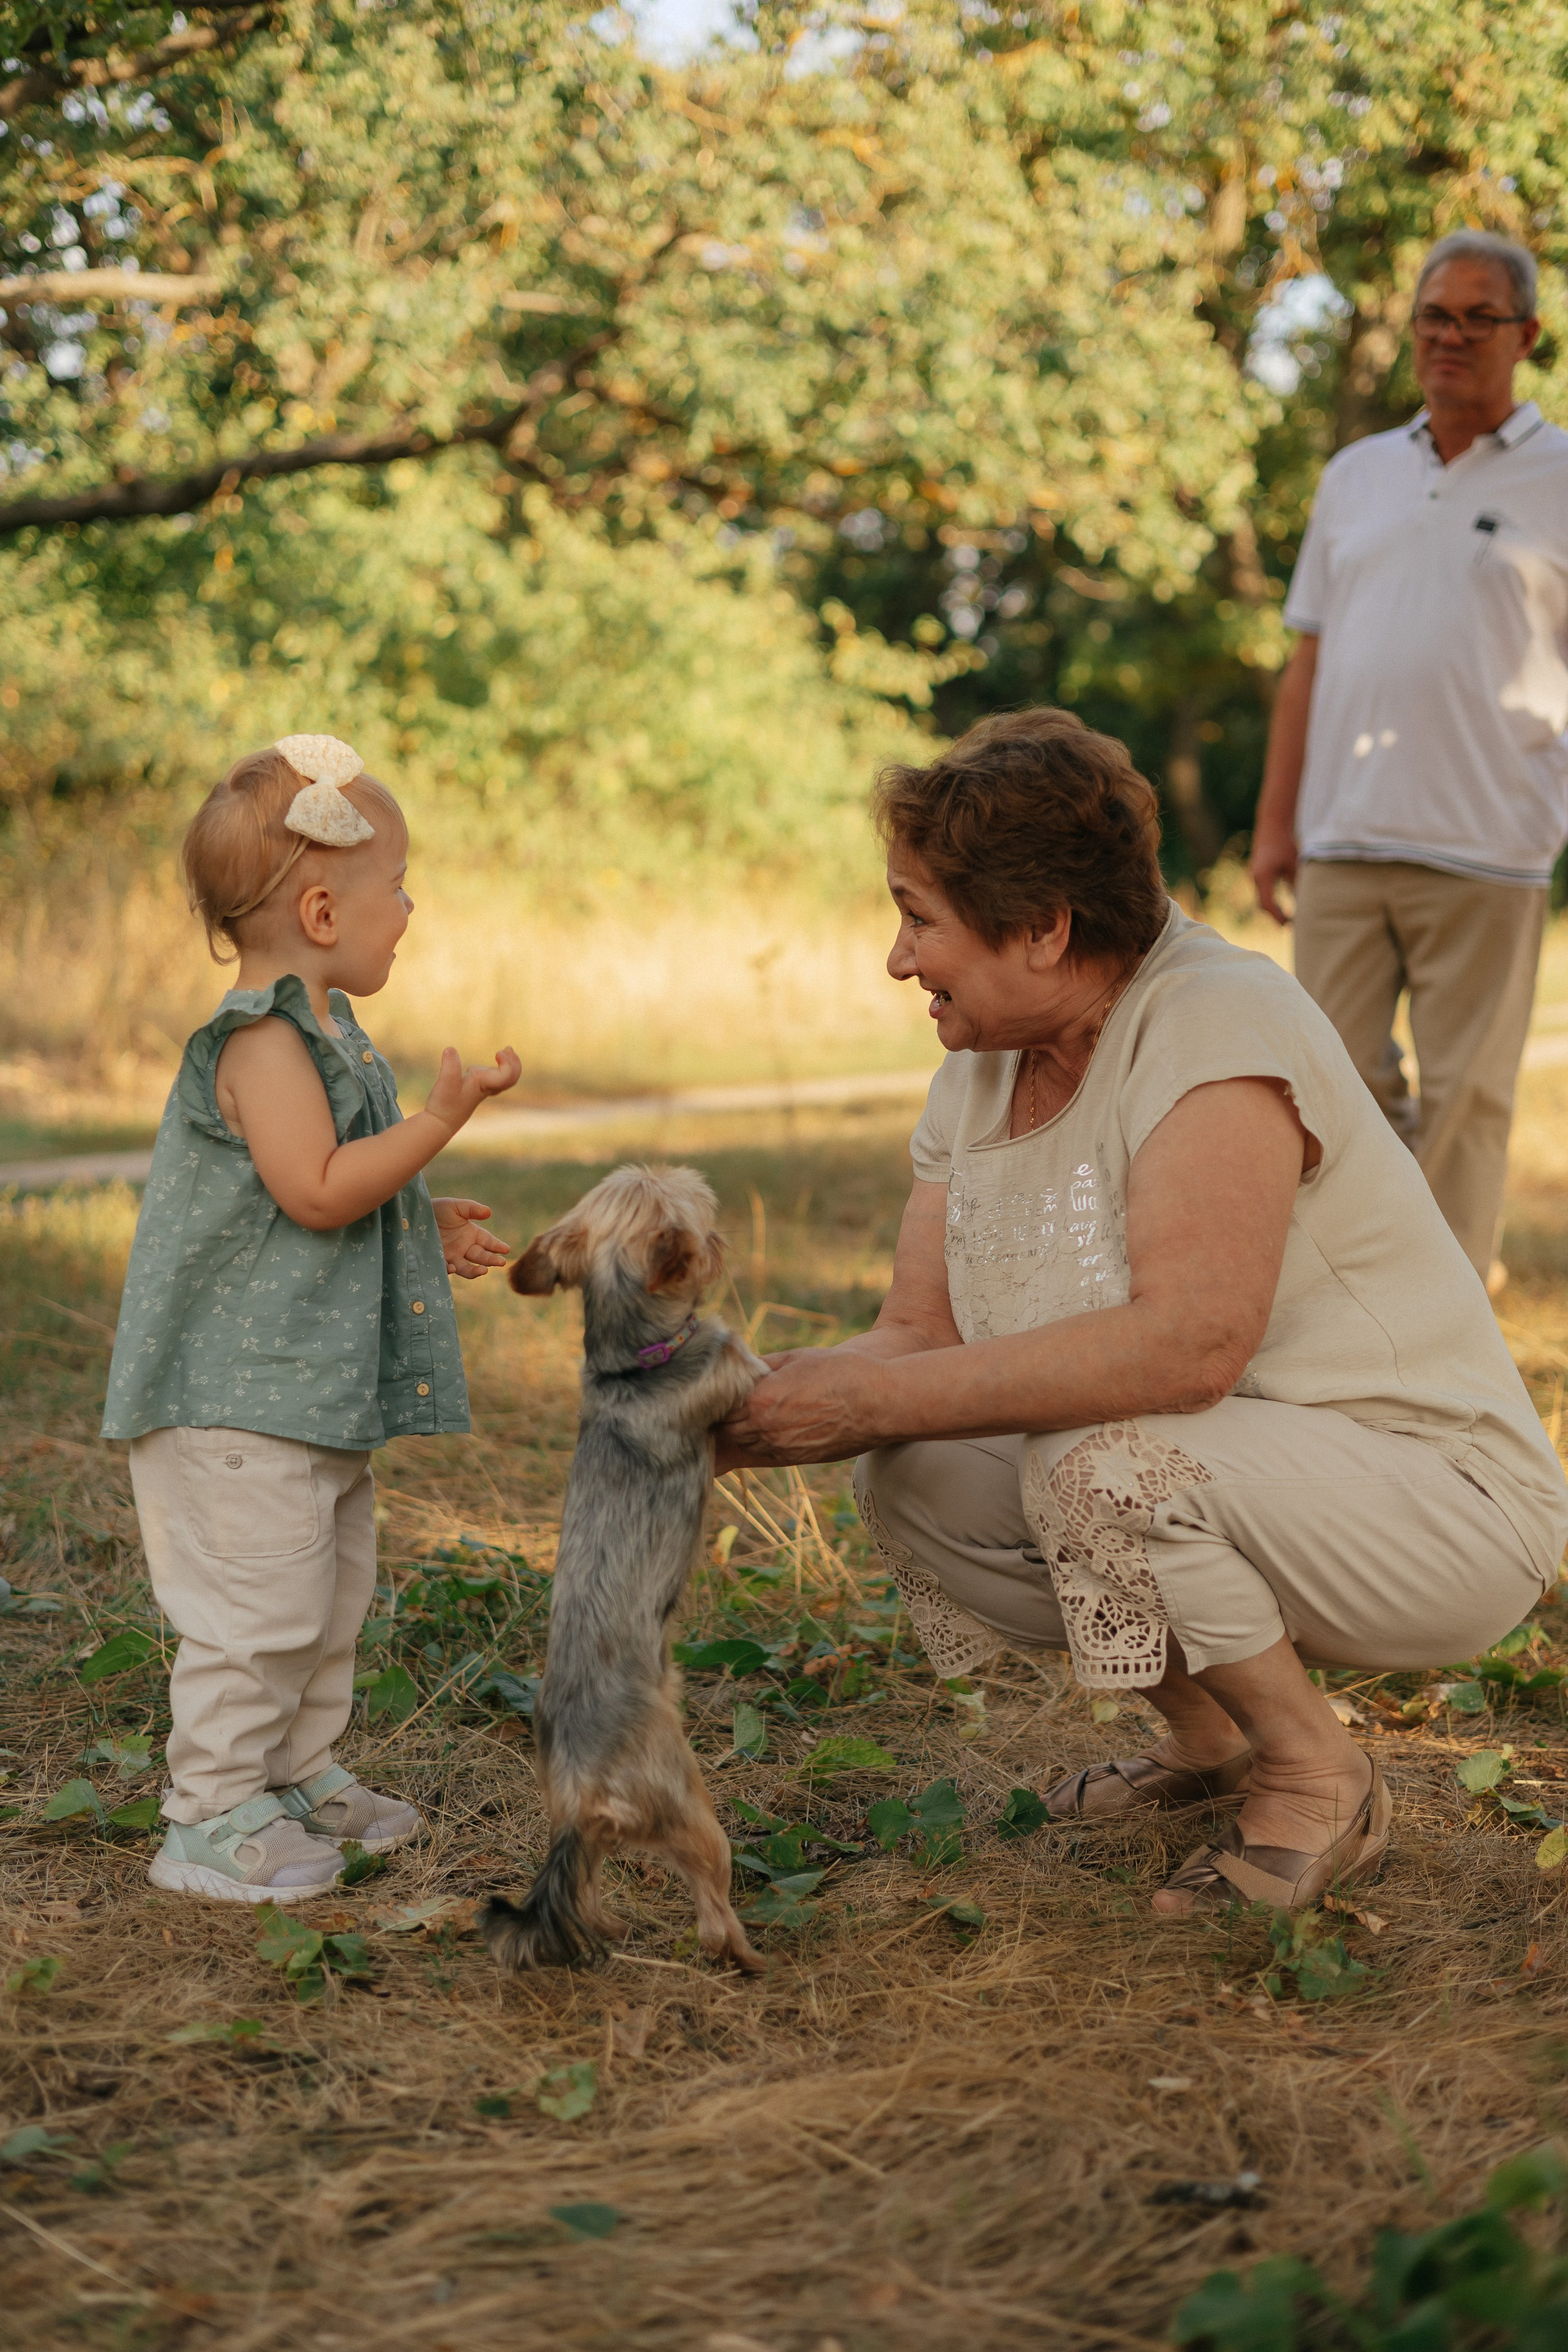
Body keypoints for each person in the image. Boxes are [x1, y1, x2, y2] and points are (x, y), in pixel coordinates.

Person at [718, 707, 1568, 1915]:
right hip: (1237, 1475)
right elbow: (915, 1339)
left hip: (1435, 1502)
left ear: (1043, 929)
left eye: (918, 920)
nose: (898, 959)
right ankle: (1211, 1741)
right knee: (910, 1470)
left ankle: (1316, 1770)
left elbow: (1188, 1345)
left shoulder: (1216, 1020)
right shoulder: (976, 1062)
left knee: (1094, 1455)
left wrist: (873, 1393)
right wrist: (748, 1400)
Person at [102, 734, 521, 1902]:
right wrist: (437, 1123)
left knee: (325, 1600)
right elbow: (317, 1187)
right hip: (240, 1397)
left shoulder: (328, 1031)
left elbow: (330, 1193)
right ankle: (208, 1814)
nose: (412, 907)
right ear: (326, 908)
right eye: (398, 887)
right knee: (258, 1607)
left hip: (305, 1392)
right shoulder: (266, 1041)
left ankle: (293, 1770)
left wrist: (418, 1225)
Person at [1250, 228, 1568, 1290]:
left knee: (1469, 1102)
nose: (1452, 336)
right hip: (1342, 836)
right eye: (1437, 314)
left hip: (1492, 844)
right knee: (1328, 1091)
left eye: (1481, 318)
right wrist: (1274, 824)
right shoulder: (1355, 475)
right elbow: (1308, 660)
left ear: (1526, 336)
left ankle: (1449, 1346)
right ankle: (1357, 1314)